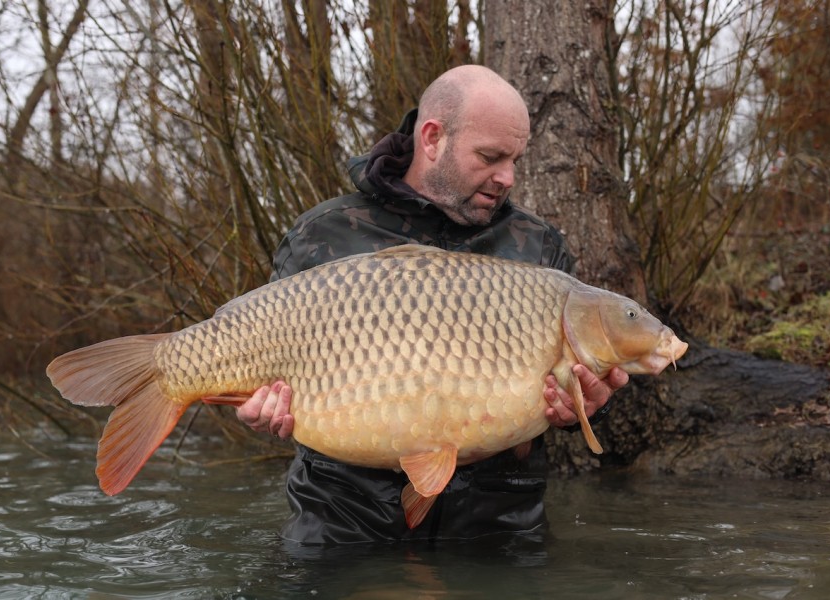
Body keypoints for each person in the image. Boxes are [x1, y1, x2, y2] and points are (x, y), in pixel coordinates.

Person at [236, 65, 629, 544]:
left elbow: (579, 392)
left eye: (515, 160)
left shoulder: (538, 247)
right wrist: (260, 409)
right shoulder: (323, 234)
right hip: (345, 532)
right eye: (490, 156)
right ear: (432, 137)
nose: (507, 177)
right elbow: (265, 371)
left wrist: (592, 404)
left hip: (498, 537)